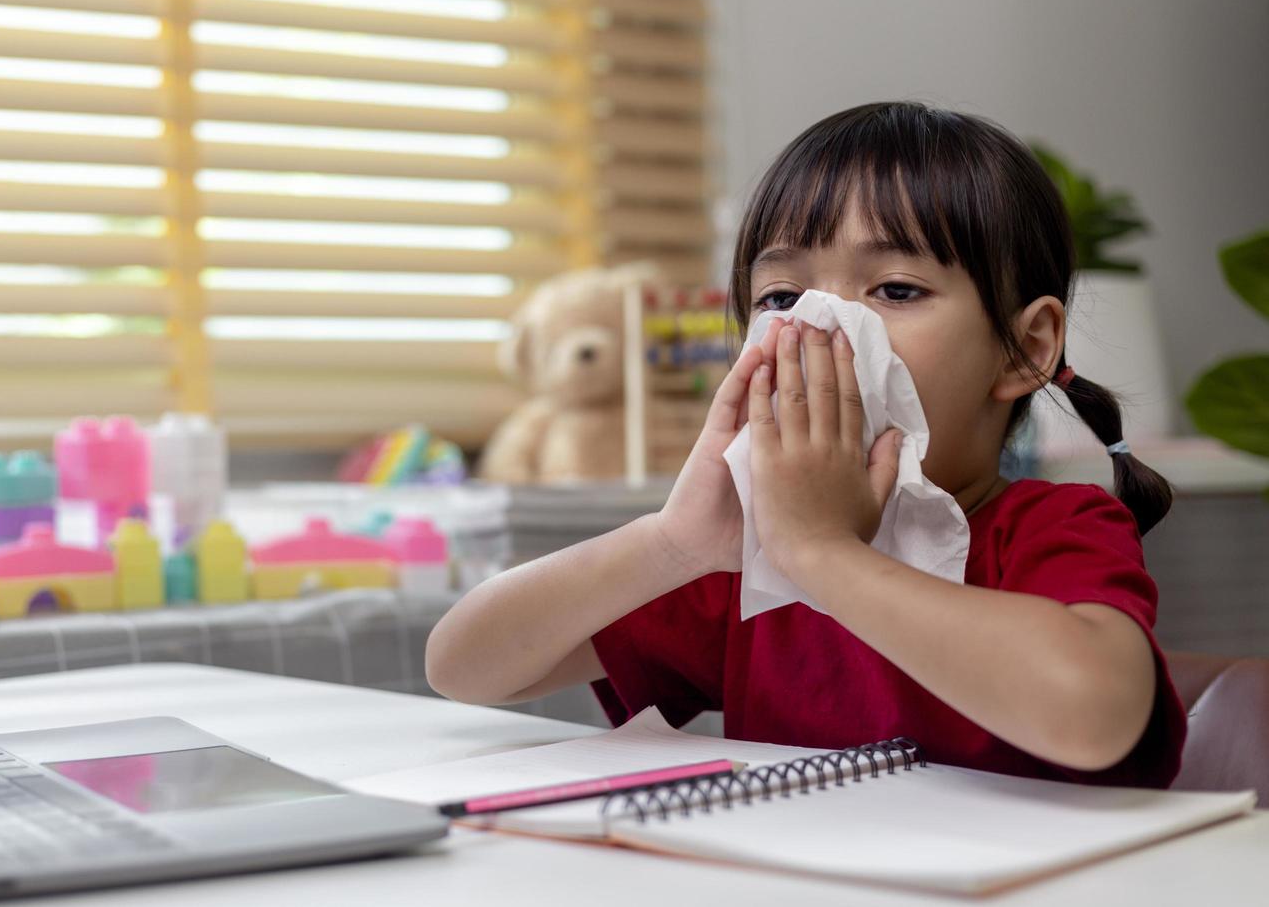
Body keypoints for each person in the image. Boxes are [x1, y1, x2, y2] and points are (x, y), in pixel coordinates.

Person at [426, 102, 1185, 787]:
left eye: (894, 289)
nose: (821, 325)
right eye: (782, 298)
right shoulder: (749, 567)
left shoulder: (1054, 528)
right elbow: (463, 665)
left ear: (1023, 350)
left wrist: (825, 554)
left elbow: (1093, 716)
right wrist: (673, 544)